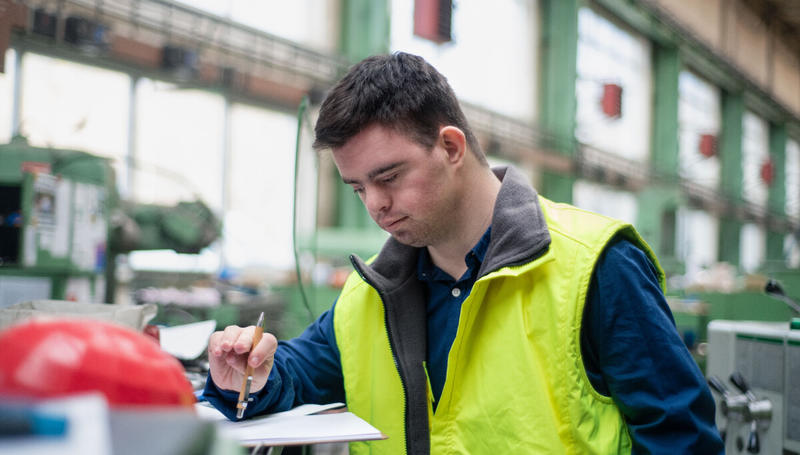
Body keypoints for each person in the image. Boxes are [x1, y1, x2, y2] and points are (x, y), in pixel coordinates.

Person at [204, 52, 724, 454]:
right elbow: (297, 372)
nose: (376, 205)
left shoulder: (595, 265)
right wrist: (251, 374)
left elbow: (680, 438)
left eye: (388, 177)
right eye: (359, 188)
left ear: (451, 147)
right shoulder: (374, 293)